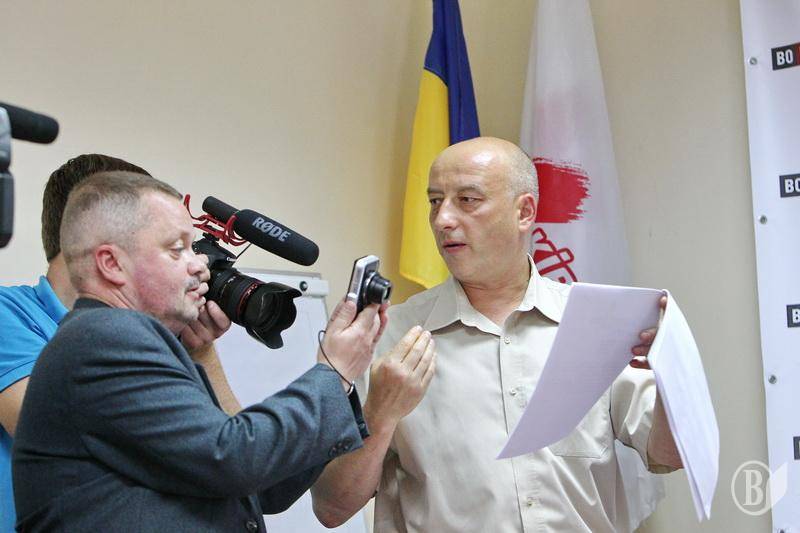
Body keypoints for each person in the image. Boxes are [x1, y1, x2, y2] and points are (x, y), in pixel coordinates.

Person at [311, 137, 683, 532]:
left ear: (524, 212)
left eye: (467, 200)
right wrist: (380, 415)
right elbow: (332, 508)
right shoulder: (387, 339)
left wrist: (673, 372)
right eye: (435, 201)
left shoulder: (597, 324)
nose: (442, 219)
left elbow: (669, 454)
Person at [11, 171, 383, 532]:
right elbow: (232, 458)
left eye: (193, 247)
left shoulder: (133, 342)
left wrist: (340, 380)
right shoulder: (104, 340)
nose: (199, 265)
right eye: (177, 249)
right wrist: (332, 373)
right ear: (112, 264)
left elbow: (264, 488)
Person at [0, 154, 238, 533]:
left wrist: (201, 351)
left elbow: (230, 461)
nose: (192, 264)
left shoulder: (148, 335)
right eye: (170, 246)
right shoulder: (6, 313)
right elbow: (75, 431)